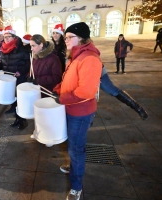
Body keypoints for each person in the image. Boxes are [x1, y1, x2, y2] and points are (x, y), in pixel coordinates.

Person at [52, 22, 102, 200]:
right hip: (70, 108)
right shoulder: (76, 55)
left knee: (76, 149)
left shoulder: (89, 58)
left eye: (69, 37)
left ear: (81, 38)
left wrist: (62, 98)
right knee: (72, 145)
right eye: (65, 37)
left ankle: (76, 187)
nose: (65, 40)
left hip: (80, 113)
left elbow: (86, 91)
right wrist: (58, 89)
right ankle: (73, 166)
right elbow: (69, 81)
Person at [0, 25, 30, 130]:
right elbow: (4, 63)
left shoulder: (20, 48)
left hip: (19, 78)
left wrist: (20, 72)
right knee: (14, 99)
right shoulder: (4, 48)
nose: (6, 39)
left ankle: (23, 121)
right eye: (5, 37)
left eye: (8, 36)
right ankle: (17, 118)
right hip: (9, 78)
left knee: (20, 100)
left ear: (14, 37)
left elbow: (28, 63)